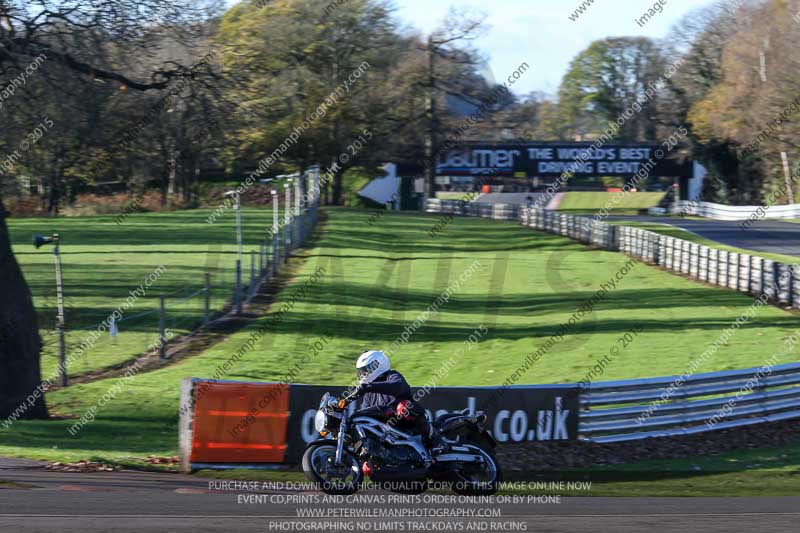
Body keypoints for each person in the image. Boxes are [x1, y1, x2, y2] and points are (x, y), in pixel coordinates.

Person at [350, 350, 447, 455]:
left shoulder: (392, 375)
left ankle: (437, 442)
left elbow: (398, 386)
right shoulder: (368, 393)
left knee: (404, 407)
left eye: (366, 370)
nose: (364, 374)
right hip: (386, 430)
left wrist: (369, 387)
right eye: (361, 372)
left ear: (378, 365)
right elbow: (365, 413)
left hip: (405, 423)